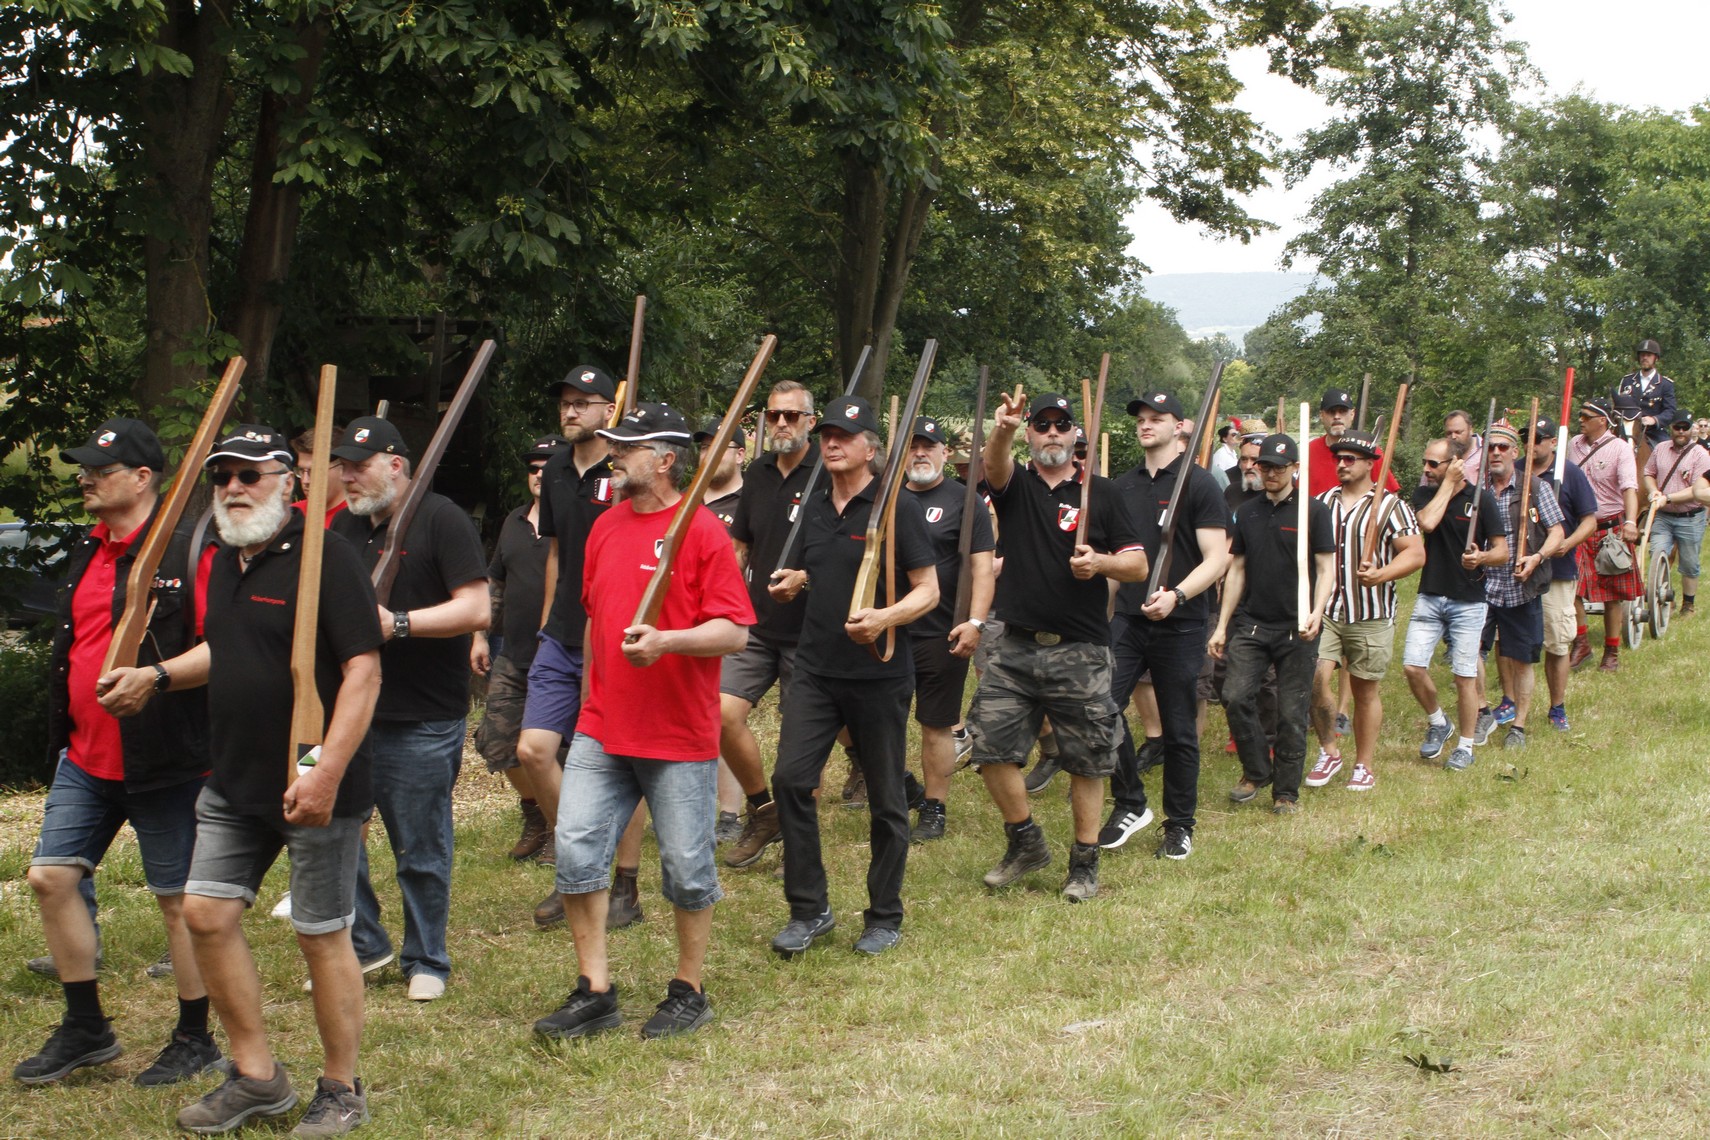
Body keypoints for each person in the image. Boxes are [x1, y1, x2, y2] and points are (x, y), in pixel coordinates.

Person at [102, 424, 383, 1134]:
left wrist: (322, 773)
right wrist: (157, 675)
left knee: (321, 934)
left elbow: (363, 672)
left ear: (288, 482)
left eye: (250, 475)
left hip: (311, 778)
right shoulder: (227, 559)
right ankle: (257, 1077)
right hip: (233, 779)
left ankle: (341, 1088)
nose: (233, 488)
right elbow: (224, 651)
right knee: (204, 914)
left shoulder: (328, 559)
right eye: (222, 475)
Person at [531, 404, 754, 1040]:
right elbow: (595, 619)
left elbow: (735, 632)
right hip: (603, 726)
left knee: (686, 867)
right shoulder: (605, 527)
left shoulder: (701, 531)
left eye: (627, 448)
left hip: (678, 733)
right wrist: (588, 700)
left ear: (665, 460)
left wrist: (668, 641)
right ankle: (595, 990)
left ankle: (689, 990)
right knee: (576, 849)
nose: (614, 456)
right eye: (614, 445)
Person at [14, 418, 220, 1089]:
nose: (86, 481)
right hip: (84, 754)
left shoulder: (189, 551)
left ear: (142, 478)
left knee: (178, 904)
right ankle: (87, 1028)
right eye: (84, 471)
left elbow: (227, 647)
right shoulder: (90, 547)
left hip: (165, 759)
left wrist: (156, 677)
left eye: (100, 472)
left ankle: (195, 1037)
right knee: (51, 878)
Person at [765, 396, 938, 955]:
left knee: (886, 798)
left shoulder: (896, 508)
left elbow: (928, 590)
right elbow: (821, 570)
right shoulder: (815, 507)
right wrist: (797, 581)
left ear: (870, 449)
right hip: (815, 669)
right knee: (791, 780)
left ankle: (884, 915)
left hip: (879, 674)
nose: (832, 443)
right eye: (827, 435)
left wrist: (885, 618)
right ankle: (809, 910)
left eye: (845, 435)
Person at [332, 416, 490, 1003]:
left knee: (420, 847)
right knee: (330, 833)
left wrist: (397, 623)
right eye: (344, 467)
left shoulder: (441, 519)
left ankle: (427, 958)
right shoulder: (344, 528)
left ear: (395, 465)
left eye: (359, 466)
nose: (347, 477)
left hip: (421, 714)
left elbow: (476, 609)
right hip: (347, 710)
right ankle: (364, 944)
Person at [967, 390, 1146, 902]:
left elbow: (1137, 565)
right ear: (1030, 433)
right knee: (990, 748)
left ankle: (1084, 862)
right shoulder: (1015, 485)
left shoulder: (1102, 493)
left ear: (1074, 435)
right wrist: (1002, 429)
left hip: (1081, 649)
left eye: (1060, 425)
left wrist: (1100, 563)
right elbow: (993, 465)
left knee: (1087, 760)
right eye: (1041, 424)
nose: (1051, 433)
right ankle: (1025, 840)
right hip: (1015, 646)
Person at [1101, 390, 1231, 859]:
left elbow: (1217, 558)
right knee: (1100, 708)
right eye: (1141, 418)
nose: (1145, 424)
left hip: (1182, 622)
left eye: (1157, 418)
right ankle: (1130, 803)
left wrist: (1177, 595)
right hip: (1129, 619)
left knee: (1178, 727)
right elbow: (1117, 559)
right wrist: (1102, 616)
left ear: (1180, 427)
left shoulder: (1199, 484)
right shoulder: (1122, 486)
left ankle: (1180, 824)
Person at [516, 365, 618, 925]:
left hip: (611, 634)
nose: (571, 411)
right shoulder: (555, 467)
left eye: (583, 402)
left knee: (598, 757)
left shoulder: (623, 468)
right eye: (565, 403)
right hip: (560, 633)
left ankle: (596, 871)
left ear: (609, 409)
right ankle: (572, 847)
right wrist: (547, 623)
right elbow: (556, 552)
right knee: (534, 750)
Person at [719, 380, 821, 870]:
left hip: (811, 630)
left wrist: (807, 576)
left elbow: (849, 545)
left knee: (799, 743)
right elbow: (740, 546)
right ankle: (764, 811)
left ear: (811, 422)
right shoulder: (757, 473)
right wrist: (721, 599)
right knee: (719, 713)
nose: (781, 423)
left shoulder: (829, 469)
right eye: (774, 415)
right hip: (756, 625)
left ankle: (800, 839)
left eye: (792, 415)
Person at [1208, 433, 1334, 814]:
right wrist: (1222, 625)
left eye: (1279, 467)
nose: (1271, 473)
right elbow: (1237, 569)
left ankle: (1286, 793)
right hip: (1252, 624)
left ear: (1295, 468)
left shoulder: (1313, 512)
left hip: (1298, 627)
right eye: (1265, 466)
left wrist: (1317, 611)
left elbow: (1326, 568)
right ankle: (1257, 769)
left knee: (1292, 713)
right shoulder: (1248, 512)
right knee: (1234, 696)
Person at [1305, 429, 1424, 792]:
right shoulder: (1321, 503)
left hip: (1371, 613)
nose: (1341, 464)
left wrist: (1381, 574)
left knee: (1364, 691)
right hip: (1326, 609)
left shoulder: (1390, 506)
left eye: (1349, 459)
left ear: (1371, 464)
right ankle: (1329, 751)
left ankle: (1363, 765)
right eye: (1338, 458)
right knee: (1313, 678)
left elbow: (1415, 553)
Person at [899, 416, 995, 842]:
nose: (920, 453)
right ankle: (899, 788)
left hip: (944, 632)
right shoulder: (885, 497)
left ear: (944, 452)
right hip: (890, 628)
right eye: (913, 446)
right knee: (875, 719)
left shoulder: (966, 501)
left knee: (936, 724)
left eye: (928, 446)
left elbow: (982, 569)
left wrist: (974, 623)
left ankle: (934, 808)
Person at [472, 437, 565, 862]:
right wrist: (479, 635)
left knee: (552, 751)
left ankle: (561, 830)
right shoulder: (513, 520)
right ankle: (536, 816)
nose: (539, 474)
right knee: (496, 741)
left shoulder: (575, 523)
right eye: (533, 468)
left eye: (548, 467)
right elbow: (496, 581)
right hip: (513, 653)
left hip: (560, 656)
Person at [1401, 437, 1505, 772]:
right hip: (1430, 594)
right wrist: (1447, 483)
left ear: (1455, 463)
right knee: (1412, 667)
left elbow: (1502, 552)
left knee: (1464, 677)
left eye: (1434, 464)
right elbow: (1427, 523)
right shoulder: (1425, 493)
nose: (1426, 469)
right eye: (1425, 462)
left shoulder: (1482, 499)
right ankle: (1439, 722)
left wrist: (1482, 557)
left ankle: (1465, 746)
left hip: (1469, 600)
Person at [1474, 421, 1565, 752]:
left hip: (1520, 587)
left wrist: (1537, 557)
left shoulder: (1535, 488)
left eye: (1502, 447)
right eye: (1490, 448)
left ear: (1515, 452)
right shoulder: (1476, 491)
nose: (1495, 453)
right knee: (1470, 651)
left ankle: (1519, 726)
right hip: (1481, 586)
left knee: (1522, 659)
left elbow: (1557, 532)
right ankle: (1482, 711)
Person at [692, 418, 749, 841]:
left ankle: (730, 813)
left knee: (721, 715)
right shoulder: (686, 501)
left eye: (720, 446)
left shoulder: (750, 502)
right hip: (683, 625)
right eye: (704, 446)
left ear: (741, 454)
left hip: (729, 622)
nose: (709, 453)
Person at [1528, 416, 1598, 730]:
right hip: (1518, 571)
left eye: (1538, 438)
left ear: (1553, 442)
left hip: (1557, 571)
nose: (1531, 444)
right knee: (1508, 643)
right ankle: (1509, 703)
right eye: (1526, 438)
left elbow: (1589, 520)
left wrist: (1567, 543)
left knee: (1556, 643)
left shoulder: (1570, 474)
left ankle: (1557, 707)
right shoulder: (1516, 471)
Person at [1567, 398, 1640, 672]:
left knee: (1612, 594)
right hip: (1578, 527)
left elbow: (1629, 488)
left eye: (1586, 416)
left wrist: (1630, 522)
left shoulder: (1620, 449)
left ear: (1602, 420)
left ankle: (1611, 652)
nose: (1581, 420)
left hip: (1610, 529)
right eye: (1580, 415)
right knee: (1570, 585)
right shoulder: (1574, 445)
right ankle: (1581, 642)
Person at [1642, 410, 1710, 618]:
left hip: (1691, 516)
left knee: (1689, 563)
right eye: (1677, 427)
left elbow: (1696, 490)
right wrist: (1653, 491)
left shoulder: (1700, 455)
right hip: (1663, 515)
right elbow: (1648, 473)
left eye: (1685, 428)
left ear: (1692, 430)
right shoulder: (1660, 449)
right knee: (1657, 554)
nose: (1681, 431)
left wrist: (1668, 497)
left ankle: (1688, 604)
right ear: (1670, 428)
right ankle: (1663, 597)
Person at [1307, 388, 1400, 497]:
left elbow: (1392, 496)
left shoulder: (1369, 450)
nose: (1337, 416)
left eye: (1342, 411)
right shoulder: (1309, 450)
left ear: (1352, 414)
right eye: (1331, 412)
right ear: (1321, 415)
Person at [1613, 338, 1677, 446]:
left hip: (1652, 432)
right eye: (1642, 355)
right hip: (1627, 428)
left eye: (1649, 355)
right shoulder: (1627, 380)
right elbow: (1618, 406)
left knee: (1667, 451)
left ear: (1656, 358)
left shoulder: (1665, 384)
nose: (1645, 358)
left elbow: (1670, 411)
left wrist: (1654, 420)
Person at [291, 425, 349, 523]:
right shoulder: (291, 516)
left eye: (315, 471)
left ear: (343, 468)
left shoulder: (360, 519)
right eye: (301, 470)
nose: (305, 481)